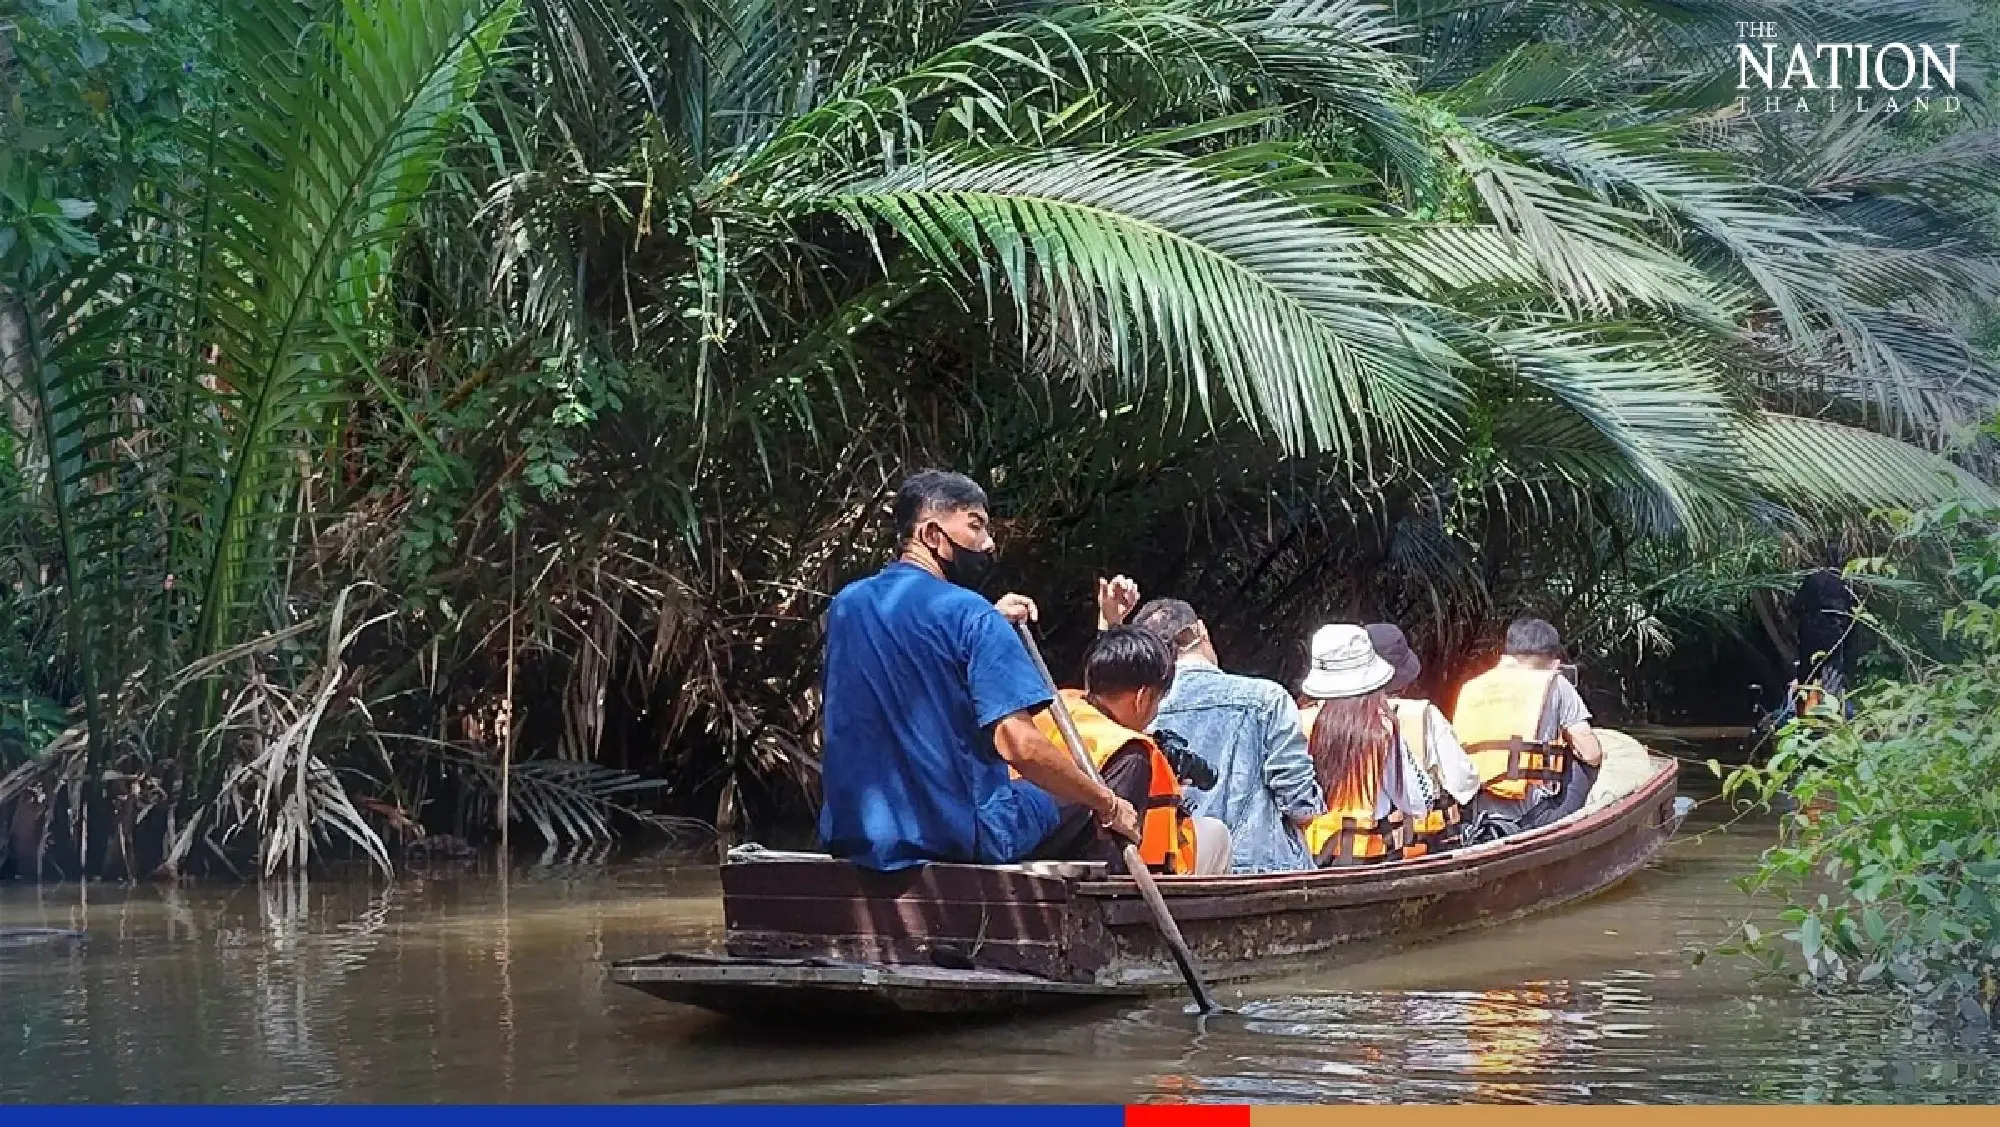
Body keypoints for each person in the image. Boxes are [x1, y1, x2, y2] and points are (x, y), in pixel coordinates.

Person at [817, 471, 1140, 870]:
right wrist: (1107, 803)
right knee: (1098, 784)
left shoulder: (847, 606)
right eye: (976, 525)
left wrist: (990, 617)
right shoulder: (972, 616)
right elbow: (1018, 745)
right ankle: (1093, 916)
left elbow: (918, 642)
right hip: (954, 837)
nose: (989, 543)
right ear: (932, 535)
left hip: (855, 833)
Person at [1100, 582, 1324, 873]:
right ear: (1202, 630)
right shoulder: (1267, 699)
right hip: (1263, 869)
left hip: (1179, 868)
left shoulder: (1137, 707)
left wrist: (1110, 625)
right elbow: (1300, 805)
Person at [1028, 627, 1233, 874]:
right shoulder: (1131, 754)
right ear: (1143, 698)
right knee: (1215, 834)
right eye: (1157, 701)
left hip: (1025, 847)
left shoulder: (1055, 709)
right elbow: (1114, 856)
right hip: (1086, 878)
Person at [1450, 618, 1604, 835]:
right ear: (1553, 660)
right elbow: (1592, 754)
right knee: (1585, 755)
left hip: (1476, 815)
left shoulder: (1471, 688)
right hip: (1534, 816)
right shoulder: (1556, 683)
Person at [1296, 625, 1425, 866]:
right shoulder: (1382, 727)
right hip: (1366, 856)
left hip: (1308, 856)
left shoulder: (1299, 721)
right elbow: (1413, 800)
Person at [1365, 623, 1479, 855]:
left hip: (1341, 849)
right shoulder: (1424, 715)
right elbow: (1464, 782)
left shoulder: (1318, 718)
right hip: (1416, 847)